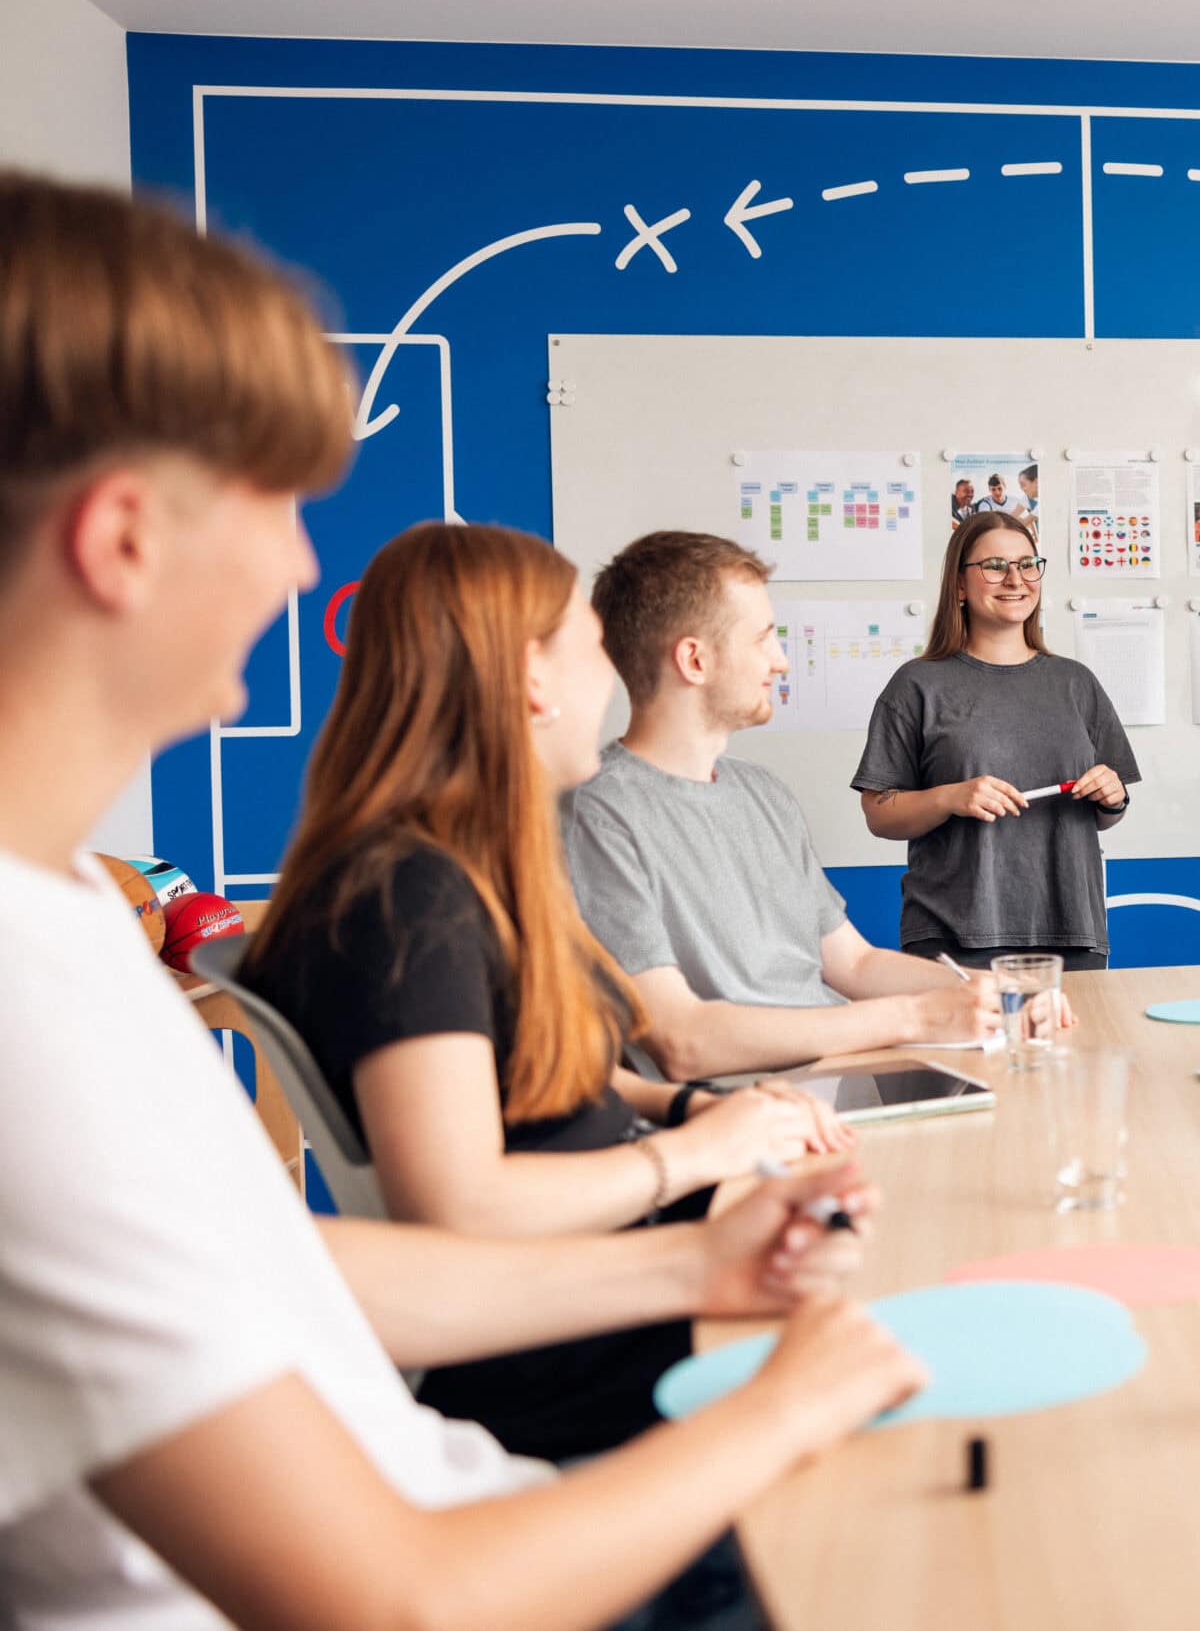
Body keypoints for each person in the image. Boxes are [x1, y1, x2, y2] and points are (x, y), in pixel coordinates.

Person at [0, 168, 924, 1631]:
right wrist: (782, 1406)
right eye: (273, 501)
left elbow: (277, 1275)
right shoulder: (32, 1014)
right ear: (121, 540)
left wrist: (696, 1258)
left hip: (490, 1493)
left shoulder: (62, 929)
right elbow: (407, 1600)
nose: (305, 562)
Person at [246, 521, 851, 1460]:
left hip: (627, 1269)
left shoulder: (469, 870)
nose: (613, 679)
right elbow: (461, 1207)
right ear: (533, 680)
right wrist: (692, 1158)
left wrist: (696, 1110)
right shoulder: (408, 898)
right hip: (577, 1352)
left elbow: (554, 1074)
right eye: (596, 649)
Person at [562, 531, 999, 1081]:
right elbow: (680, 1040)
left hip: (843, 1082)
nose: (781, 662)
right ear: (694, 660)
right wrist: (913, 1018)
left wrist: (1004, 992)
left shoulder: (763, 793)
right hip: (748, 1110)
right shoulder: (596, 814)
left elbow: (855, 964)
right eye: (764, 639)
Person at [855, 513, 1137, 970]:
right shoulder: (918, 684)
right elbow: (878, 814)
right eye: (995, 566)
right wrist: (950, 797)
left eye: (1027, 564)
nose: (1015, 579)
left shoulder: (1076, 682)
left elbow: (1104, 818)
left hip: (1072, 932)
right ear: (959, 585)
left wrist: (1112, 797)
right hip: (955, 935)